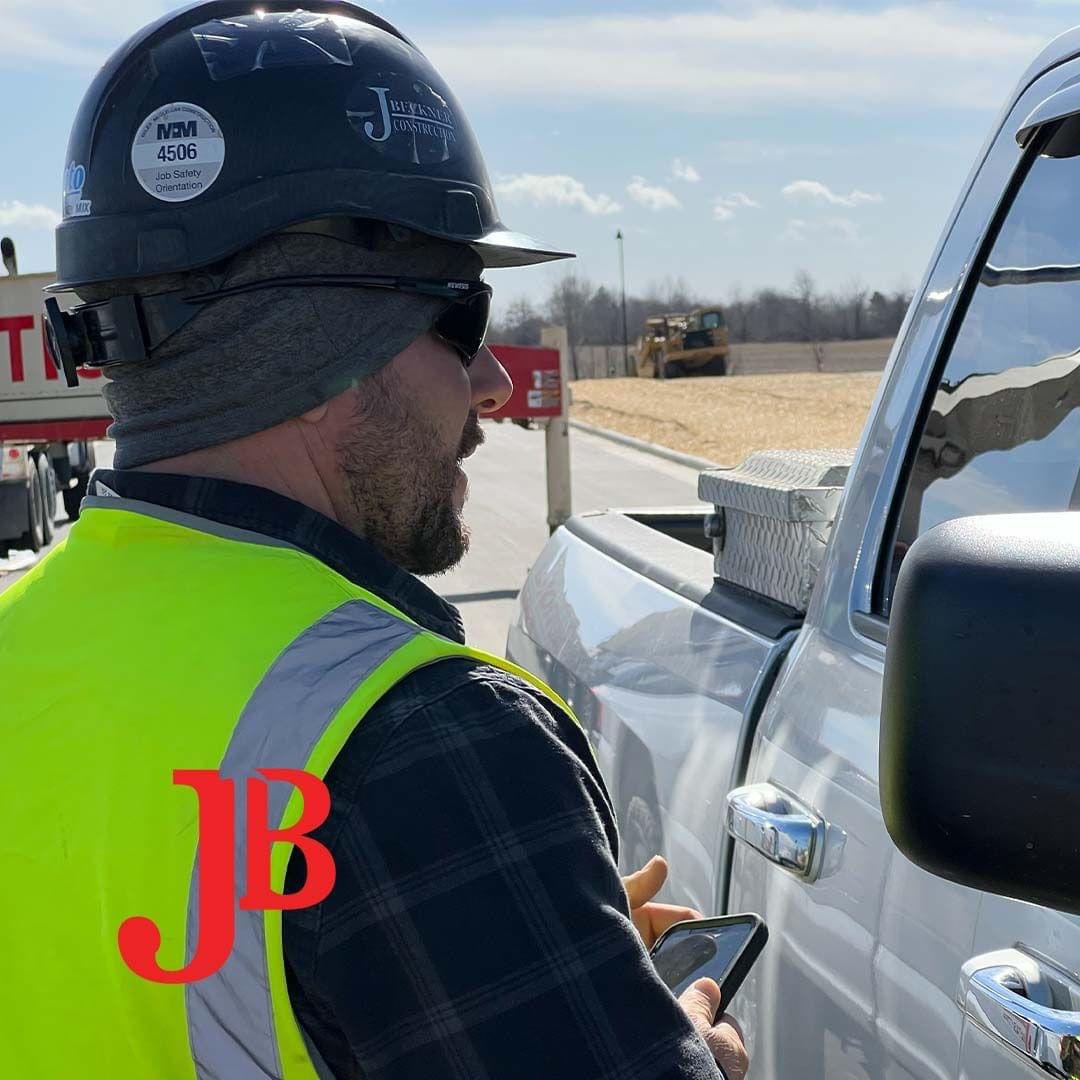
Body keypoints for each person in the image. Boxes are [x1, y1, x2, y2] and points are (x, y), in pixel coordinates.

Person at [2, 4, 749, 1078]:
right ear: (314, 348)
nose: (491, 382)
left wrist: (524, 968)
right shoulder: (422, 739)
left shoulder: (17, 643)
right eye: (461, 317)